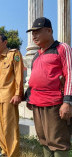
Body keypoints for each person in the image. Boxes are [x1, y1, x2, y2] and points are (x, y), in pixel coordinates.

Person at [25, 17, 72, 157]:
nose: (34, 35)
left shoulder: (62, 48)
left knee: (58, 142)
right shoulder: (36, 55)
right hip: (37, 104)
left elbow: (70, 74)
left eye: (38, 31)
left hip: (55, 104)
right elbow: (34, 79)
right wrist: (29, 98)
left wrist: (67, 102)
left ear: (49, 31)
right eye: (32, 32)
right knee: (44, 139)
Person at [0, 34, 24, 157]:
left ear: (5, 42)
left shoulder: (13, 54)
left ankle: (13, 154)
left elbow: (19, 75)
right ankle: (4, 151)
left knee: (9, 127)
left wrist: (18, 94)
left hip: (8, 97)